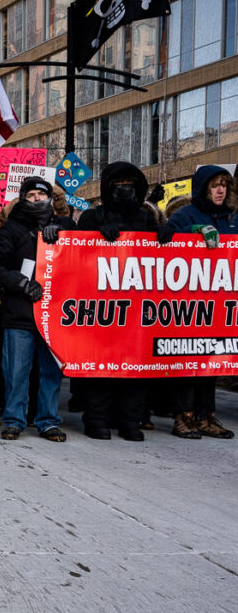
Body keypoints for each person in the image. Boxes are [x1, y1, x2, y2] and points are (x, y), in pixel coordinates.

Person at [76, 162, 162, 442]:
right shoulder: (92, 217)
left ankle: (129, 421)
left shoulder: (146, 218)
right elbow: (77, 256)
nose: (125, 188)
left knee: (134, 369)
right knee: (101, 368)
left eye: (130, 183)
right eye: (118, 183)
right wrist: (97, 236)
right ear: (108, 187)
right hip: (102, 307)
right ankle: (97, 420)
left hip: (136, 310)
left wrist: (166, 237)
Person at [0, 176, 74, 443]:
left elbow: (83, 259)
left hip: (53, 315)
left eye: (42, 194)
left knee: (50, 372)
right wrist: (22, 282)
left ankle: (48, 421)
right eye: (31, 195)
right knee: (16, 371)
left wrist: (61, 233)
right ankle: (13, 420)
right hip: (20, 313)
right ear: (23, 199)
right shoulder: (11, 229)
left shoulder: (66, 227)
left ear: (50, 198)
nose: (37, 199)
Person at [164, 165, 236, 439]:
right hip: (190, 302)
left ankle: (206, 416)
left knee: (211, 361)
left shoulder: (231, 217)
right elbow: (166, 243)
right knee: (187, 359)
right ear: (203, 187)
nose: (220, 190)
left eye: (224, 185)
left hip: (221, 303)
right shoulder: (185, 215)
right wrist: (193, 233)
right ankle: (183, 416)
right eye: (215, 185)